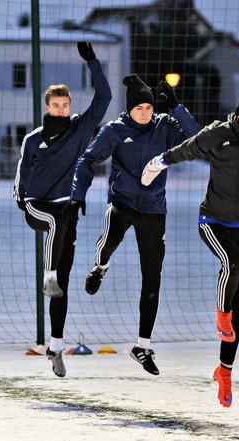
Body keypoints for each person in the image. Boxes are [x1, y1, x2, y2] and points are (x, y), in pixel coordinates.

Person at [144, 29, 239, 407]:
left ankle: (225, 371)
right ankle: (220, 313)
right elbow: (191, 146)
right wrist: (160, 161)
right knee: (234, 262)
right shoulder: (221, 133)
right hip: (212, 222)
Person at [68, 73, 200, 376]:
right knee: (109, 241)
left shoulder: (164, 126)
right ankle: (100, 266)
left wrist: (178, 107)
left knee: (152, 277)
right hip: (123, 203)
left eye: (150, 109)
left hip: (154, 209)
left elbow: (197, 140)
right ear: (130, 110)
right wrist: (77, 195)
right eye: (140, 108)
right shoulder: (116, 131)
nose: (146, 113)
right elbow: (87, 161)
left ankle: (142, 346)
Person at [13, 42, 111, 378]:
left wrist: (93, 62)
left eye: (65, 105)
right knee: (55, 219)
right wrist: (22, 200)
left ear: (70, 107)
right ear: (47, 106)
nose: (60, 109)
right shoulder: (33, 138)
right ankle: (49, 275)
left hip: (64, 213)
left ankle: (55, 346)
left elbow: (105, 98)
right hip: (37, 207)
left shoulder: (80, 130)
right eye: (55, 105)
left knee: (64, 286)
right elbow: (22, 175)